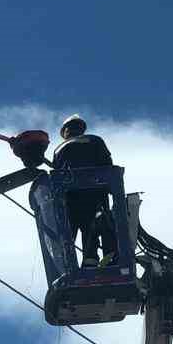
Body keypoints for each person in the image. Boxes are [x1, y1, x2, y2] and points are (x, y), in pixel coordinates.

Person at [50, 114, 118, 266]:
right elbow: (107, 166)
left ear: (66, 131)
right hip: (94, 194)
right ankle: (100, 257)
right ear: (81, 129)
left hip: (69, 198)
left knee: (68, 233)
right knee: (94, 226)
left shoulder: (58, 149)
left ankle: (68, 264)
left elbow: (55, 175)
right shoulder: (95, 140)